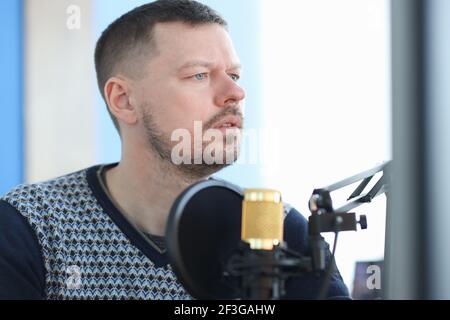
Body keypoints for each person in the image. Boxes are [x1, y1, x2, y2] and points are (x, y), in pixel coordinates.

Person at [0, 0, 349, 299]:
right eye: (199, 75)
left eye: (235, 75)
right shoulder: (30, 226)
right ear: (124, 100)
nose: (235, 93)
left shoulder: (278, 230)